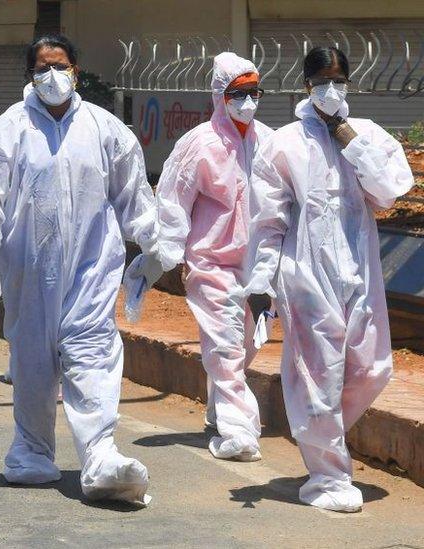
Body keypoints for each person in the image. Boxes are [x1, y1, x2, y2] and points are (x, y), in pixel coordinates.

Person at [0, 34, 164, 505]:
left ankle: (99, 456)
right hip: (27, 269)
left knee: (92, 353)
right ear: (29, 75)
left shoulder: (105, 129)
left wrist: (154, 245)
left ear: (75, 68)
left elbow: (133, 193)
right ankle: (31, 451)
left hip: (93, 265)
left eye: (59, 64)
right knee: (32, 362)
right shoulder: (9, 130)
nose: (51, 75)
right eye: (41, 67)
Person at [245, 46, 413, 512]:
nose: (332, 89)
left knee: (372, 368)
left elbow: (389, 192)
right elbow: (267, 222)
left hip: (360, 271)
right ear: (306, 85)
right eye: (323, 80)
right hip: (306, 273)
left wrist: (347, 136)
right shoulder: (284, 144)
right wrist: (261, 283)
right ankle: (327, 476)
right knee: (318, 373)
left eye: (340, 80)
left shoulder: (369, 135)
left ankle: (321, 432)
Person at [154, 52, 274, 462]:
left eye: (255, 92)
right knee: (225, 345)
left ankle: (216, 412)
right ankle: (239, 431)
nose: (248, 101)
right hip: (211, 262)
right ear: (220, 95)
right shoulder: (200, 143)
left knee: (245, 345)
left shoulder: (268, 142)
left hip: (258, 266)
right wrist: (168, 250)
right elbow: (173, 198)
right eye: (239, 93)